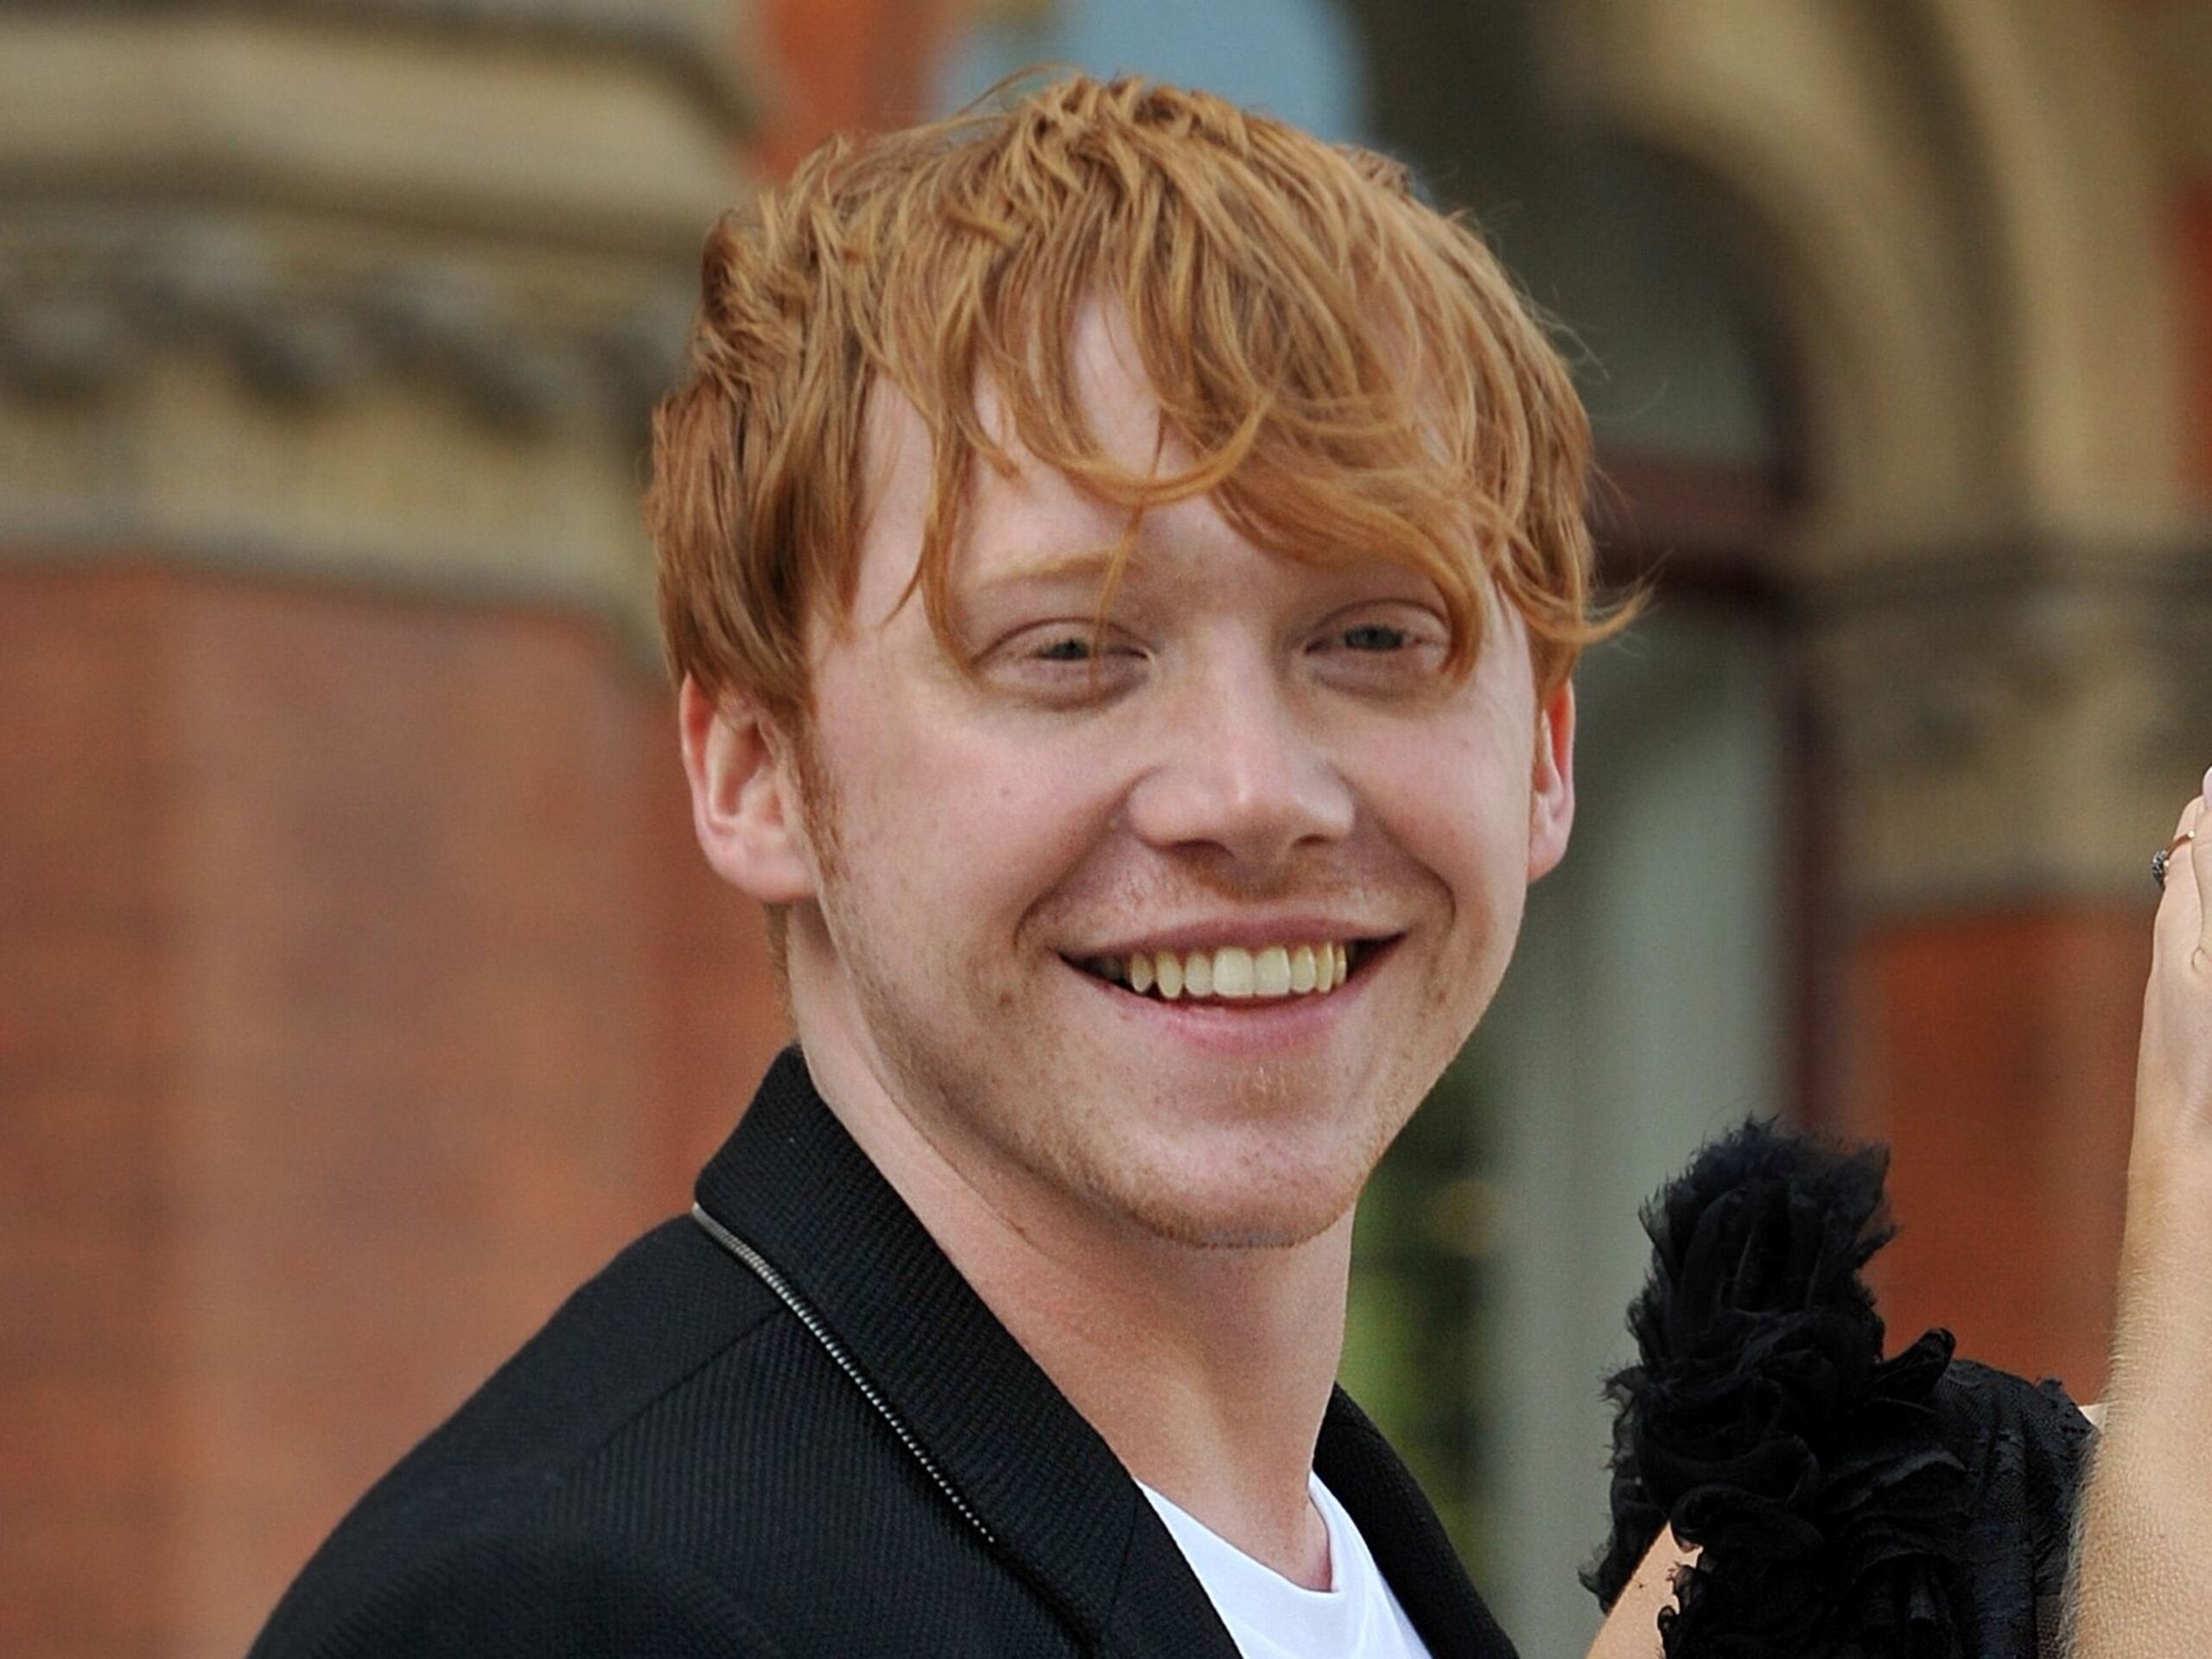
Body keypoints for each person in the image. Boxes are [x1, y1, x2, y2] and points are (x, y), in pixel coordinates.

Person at [248, 73, 2212, 1659]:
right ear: (756, 772)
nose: (1250, 794)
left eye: (1373, 640)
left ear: (1540, 755)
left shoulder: (1352, 1573)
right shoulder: (565, 1610)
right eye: (1070, 653)